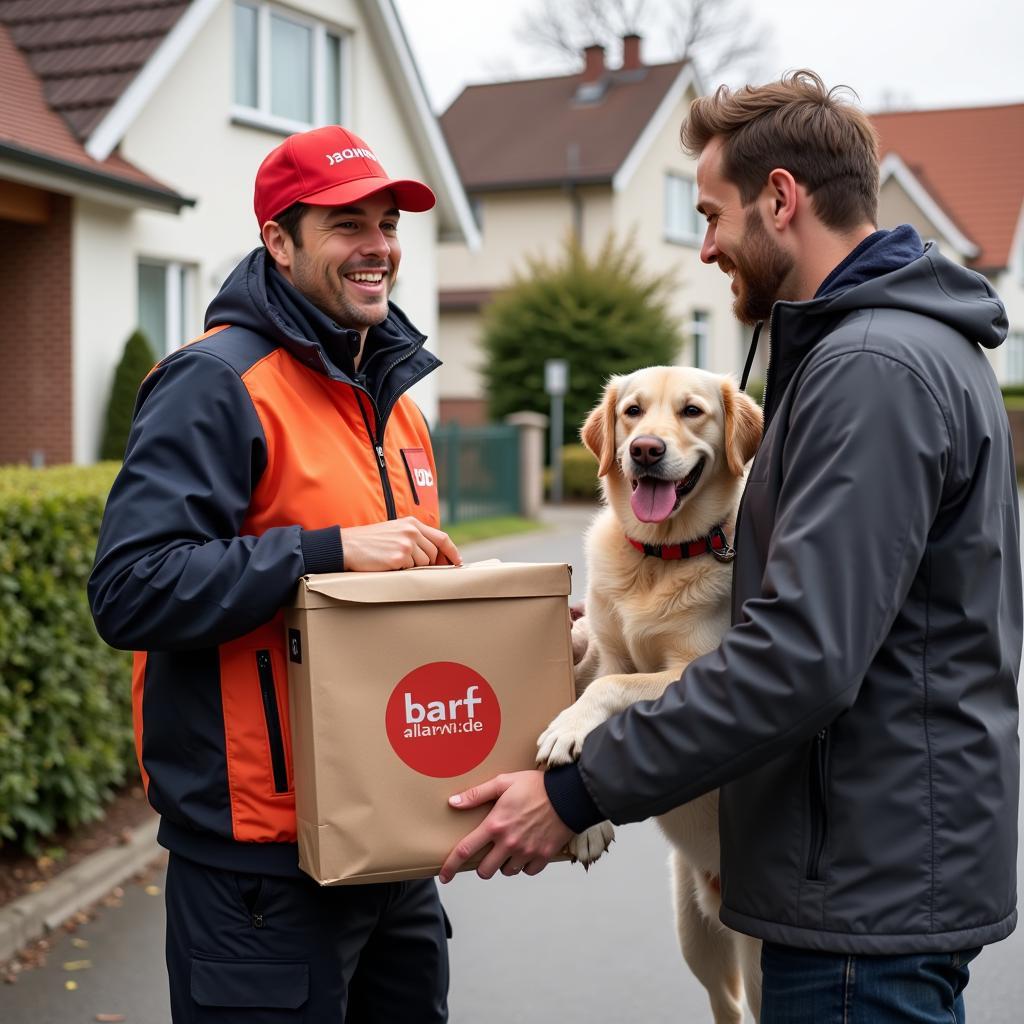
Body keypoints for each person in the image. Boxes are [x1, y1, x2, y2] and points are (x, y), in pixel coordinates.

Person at [440, 70, 1022, 1023]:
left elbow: (799, 658)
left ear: (782, 200)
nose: (705, 243)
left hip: (858, 895)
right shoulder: (892, 350)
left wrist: (580, 793)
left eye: (711, 214)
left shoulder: (872, 370)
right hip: (869, 870)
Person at [89, 125, 460, 1022]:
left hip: (392, 853)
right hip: (259, 871)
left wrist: (501, 634)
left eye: (386, 223)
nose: (377, 246)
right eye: (346, 225)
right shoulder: (213, 382)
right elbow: (132, 586)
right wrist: (325, 550)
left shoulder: (395, 402)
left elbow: (387, 616)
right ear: (279, 242)